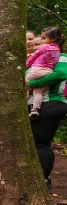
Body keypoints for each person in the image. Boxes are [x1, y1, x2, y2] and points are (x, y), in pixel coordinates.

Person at [28, 26, 67, 189]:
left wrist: (33, 83)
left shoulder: (62, 57)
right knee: (37, 143)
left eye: (41, 40)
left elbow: (60, 74)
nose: (37, 45)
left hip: (52, 102)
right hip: (39, 104)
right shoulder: (41, 57)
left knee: (41, 144)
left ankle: (42, 181)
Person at [25, 27, 64, 120]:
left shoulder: (45, 47)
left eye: (43, 39)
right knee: (38, 92)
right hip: (48, 71)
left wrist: (27, 64)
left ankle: (21, 105)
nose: (42, 41)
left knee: (25, 87)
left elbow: (34, 56)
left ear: (52, 39)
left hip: (37, 70)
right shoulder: (57, 50)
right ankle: (35, 109)